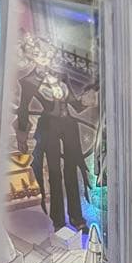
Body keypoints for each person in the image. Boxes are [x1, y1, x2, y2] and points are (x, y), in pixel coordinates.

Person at [16, 34, 92, 232]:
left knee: (72, 170)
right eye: (38, 53)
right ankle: (58, 219)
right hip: (48, 126)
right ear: (31, 55)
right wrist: (22, 136)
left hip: (69, 125)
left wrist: (86, 98)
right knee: (54, 172)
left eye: (47, 53)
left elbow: (75, 103)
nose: (44, 57)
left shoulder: (61, 75)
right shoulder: (28, 81)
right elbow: (23, 109)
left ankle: (77, 217)